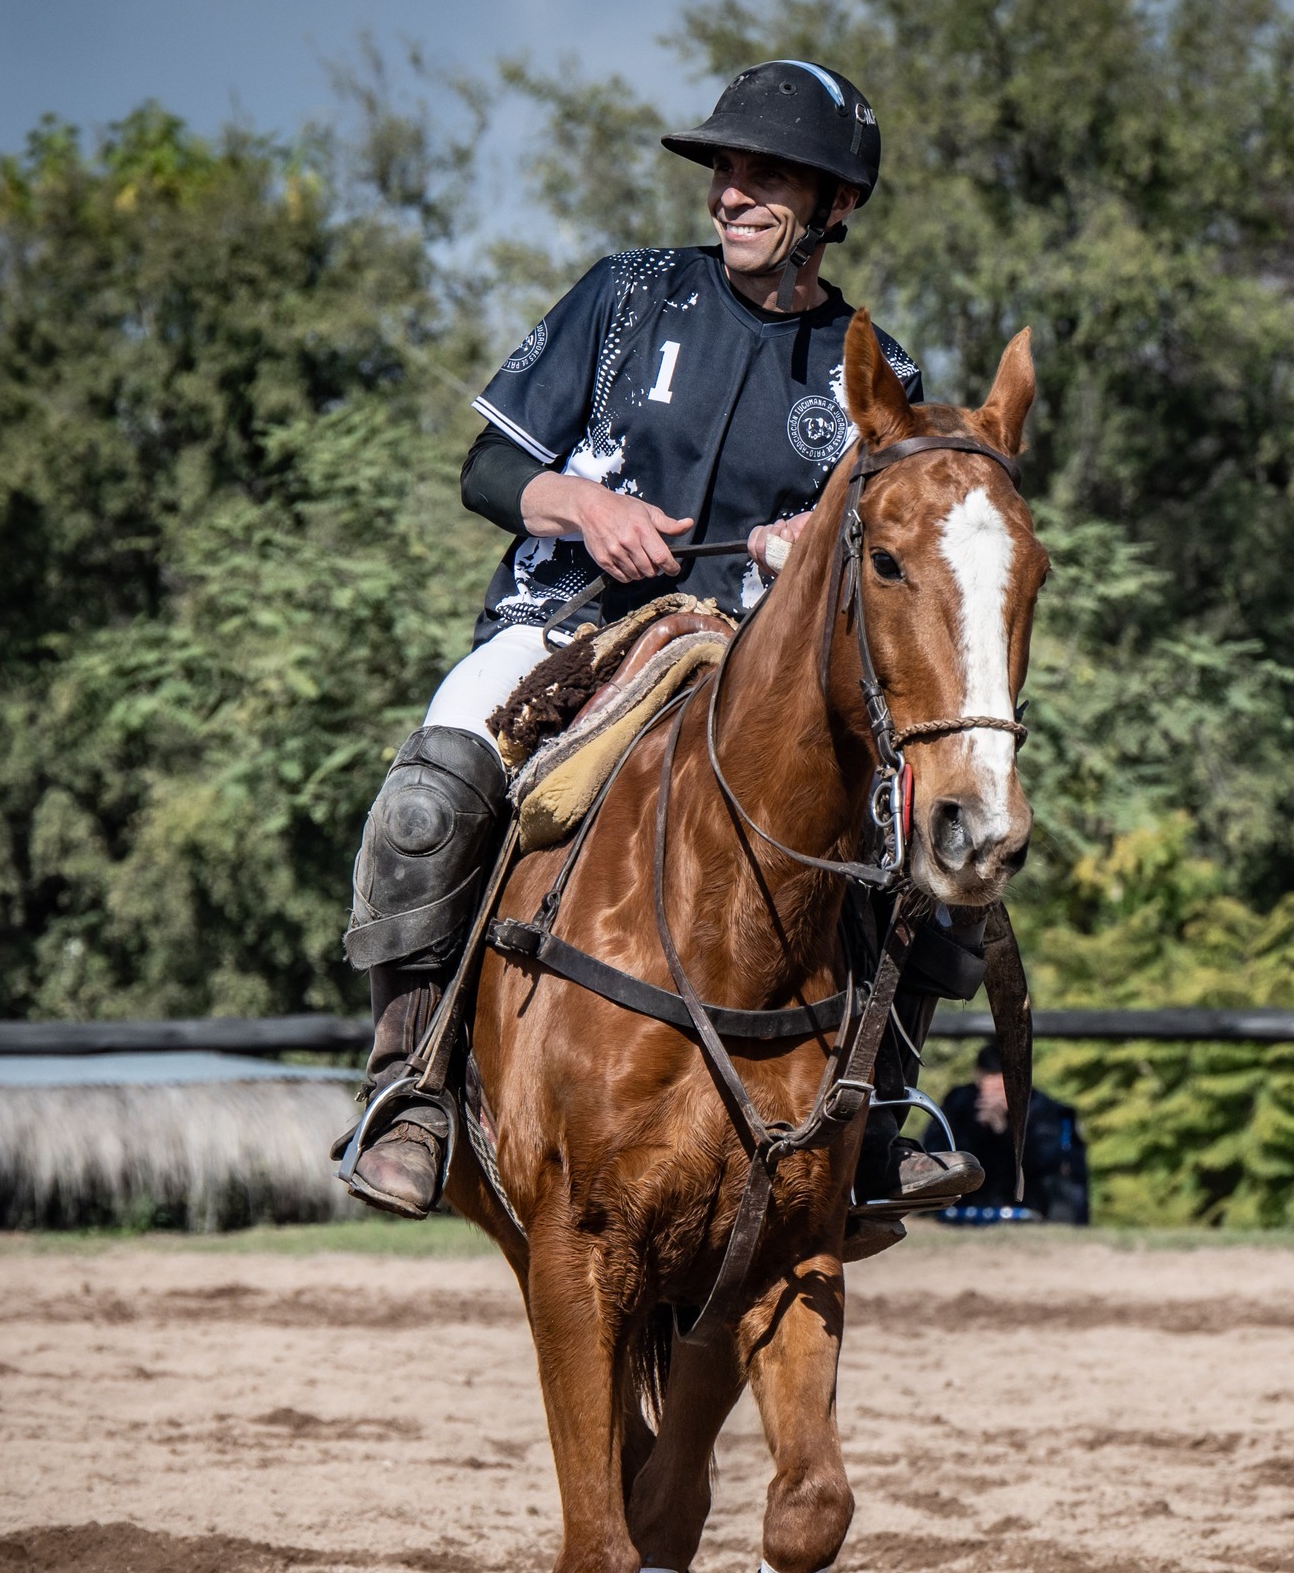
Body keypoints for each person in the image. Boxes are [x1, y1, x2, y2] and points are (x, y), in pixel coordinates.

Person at [338, 60, 988, 1226]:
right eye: (724, 169)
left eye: (766, 176)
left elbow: (890, 549)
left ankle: (879, 1112)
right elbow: (488, 469)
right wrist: (583, 506)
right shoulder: (625, 295)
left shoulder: (876, 371)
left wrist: (813, 545)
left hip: (754, 666)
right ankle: (411, 1086)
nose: (731, 193)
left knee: (925, 847)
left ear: (837, 203)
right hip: (568, 631)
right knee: (425, 800)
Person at [939, 1043, 1091, 1224]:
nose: (993, 1097)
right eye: (988, 1089)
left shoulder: (1043, 1110)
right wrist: (977, 1128)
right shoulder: (959, 1104)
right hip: (966, 1204)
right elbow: (940, 1153)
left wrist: (1005, 1131)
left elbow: (1048, 1163)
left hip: (1031, 1204)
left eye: (1000, 1089)